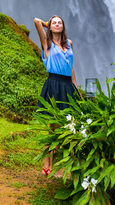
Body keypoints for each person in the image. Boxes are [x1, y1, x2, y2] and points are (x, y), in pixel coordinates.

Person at [34, 15, 79, 176]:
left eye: (60, 22)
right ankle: (49, 164)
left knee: (64, 127)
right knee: (54, 127)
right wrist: (47, 24)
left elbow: (71, 68)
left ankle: (53, 164)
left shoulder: (70, 44)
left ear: (63, 26)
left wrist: (76, 90)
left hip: (67, 86)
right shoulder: (47, 44)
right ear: (50, 27)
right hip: (54, 85)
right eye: (54, 22)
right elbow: (36, 21)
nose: (57, 24)